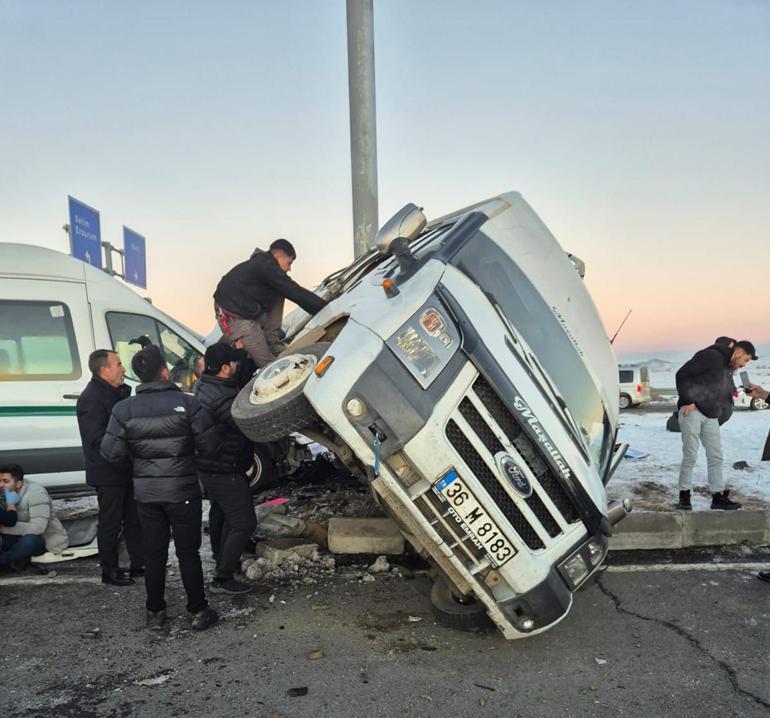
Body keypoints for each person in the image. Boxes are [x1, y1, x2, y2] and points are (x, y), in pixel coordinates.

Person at [101, 345, 221, 632]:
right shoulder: (188, 403)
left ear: (139, 376)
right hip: (183, 493)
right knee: (188, 552)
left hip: (147, 495)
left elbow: (110, 452)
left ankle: (155, 612)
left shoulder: (123, 408)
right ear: (165, 371)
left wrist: (137, 462)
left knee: (154, 553)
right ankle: (197, 610)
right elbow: (210, 446)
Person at [76, 349, 143, 586]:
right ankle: (109, 570)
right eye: (119, 364)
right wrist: (128, 442)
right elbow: (97, 439)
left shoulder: (116, 393)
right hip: (108, 472)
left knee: (134, 518)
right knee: (111, 522)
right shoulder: (91, 398)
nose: (124, 369)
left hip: (125, 469)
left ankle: (138, 564)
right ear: (104, 370)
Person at [194, 343, 257, 595]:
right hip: (223, 467)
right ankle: (222, 577)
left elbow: (239, 375)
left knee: (221, 514)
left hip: (213, 466)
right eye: (234, 364)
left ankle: (222, 559)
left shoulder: (207, 384)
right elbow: (245, 423)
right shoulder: (222, 398)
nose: (237, 367)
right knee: (244, 522)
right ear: (223, 368)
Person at [213, 238, 328, 368]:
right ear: (278, 255)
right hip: (235, 319)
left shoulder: (263, 265)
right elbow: (294, 290)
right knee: (269, 366)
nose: (289, 268)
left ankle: (271, 340)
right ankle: (270, 356)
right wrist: (325, 308)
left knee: (280, 290)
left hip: (243, 309)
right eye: (289, 263)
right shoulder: (265, 266)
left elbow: (288, 289)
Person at [674, 339, 757, 511]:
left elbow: (721, 389)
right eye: (746, 360)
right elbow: (682, 374)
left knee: (716, 456)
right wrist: (688, 400)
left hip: (711, 414)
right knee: (690, 455)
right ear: (739, 352)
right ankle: (684, 497)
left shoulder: (728, 367)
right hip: (693, 411)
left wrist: (739, 392)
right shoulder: (710, 356)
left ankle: (717, 496)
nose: (744, 365)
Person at [0, 464, 69, 570]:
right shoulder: (4, 493)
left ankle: (5, 561)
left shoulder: (35, 493)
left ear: (18, 483)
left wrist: (4, 528)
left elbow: (38, 528)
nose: (1, 485)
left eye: (5, 481)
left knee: (29, 541)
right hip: (15, 533)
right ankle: (17, 560)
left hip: (43, 538)